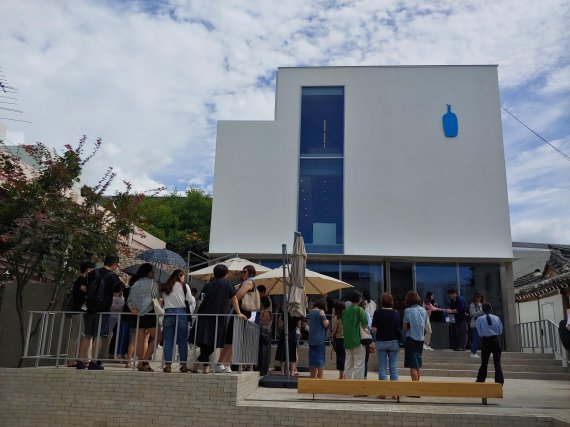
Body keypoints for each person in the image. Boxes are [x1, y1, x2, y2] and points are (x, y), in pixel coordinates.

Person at [191, 264, 247, 374]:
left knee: (205, 342)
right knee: (213, 342)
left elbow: (201, 299)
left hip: (204, 317)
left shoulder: (209, 285)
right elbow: (234, 299)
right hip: (218, 318)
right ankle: (198, 365)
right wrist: (239, 313)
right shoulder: (227, 284)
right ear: (225, 273)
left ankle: (198, 366)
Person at [76, 255, 121, 370]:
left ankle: (80, 361)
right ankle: (93, 362)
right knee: (99, 336)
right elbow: (116, 293)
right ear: (114, 264)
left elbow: (83, 288)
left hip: (89, 308)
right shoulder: (114, 277)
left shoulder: (92, 273)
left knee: (87, 335)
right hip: (103, 310)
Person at [217, 264, 257, 372]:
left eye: (244, 272)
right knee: (234, 340)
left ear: (250, 273)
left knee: (230, 339)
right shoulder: (248, 282)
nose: (242, 274)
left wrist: (232, 295)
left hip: (239, 313)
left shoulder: (248, 282)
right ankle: (226, 364)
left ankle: (220, 363)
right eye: (242, 272)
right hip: (243, 313)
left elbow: (237, 296)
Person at [127, 263, 162, 372]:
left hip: (136, 314)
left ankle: (140, 363)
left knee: (140, 340)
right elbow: (156, 297)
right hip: (149, 313)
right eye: (152, 271)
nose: (153, 273)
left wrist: (133, 309)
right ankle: (144, 361)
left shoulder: (136, 283)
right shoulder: (152, 282)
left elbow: (129, 299)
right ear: (148, 272)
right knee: (158, 337)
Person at [160, 269, 194, 373]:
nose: (184, 278)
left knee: (168, 340)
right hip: (181, 313)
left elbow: (162, 300)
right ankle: (183, 365)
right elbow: (191, 300)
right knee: (182, 340)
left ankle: (168, 365)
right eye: (183, 276)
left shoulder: (165, 286)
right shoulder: (184, 286)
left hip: (168, 313)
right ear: (180, 276)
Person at [371, 292, 401, 398]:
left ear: (381, 301)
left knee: (382, 367)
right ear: (391, 301)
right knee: (393, 367)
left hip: (381, 342)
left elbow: (374, 329)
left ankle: (383, 392)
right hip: (393, 342)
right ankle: (394, 393)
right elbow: (398, 328)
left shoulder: (377, 313)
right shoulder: (396, 313)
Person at [67, 261, 95, 367]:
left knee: (74, 336)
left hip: (75, 310)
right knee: (87, 335)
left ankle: (71, 360)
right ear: (88, 270)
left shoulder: (78, 280)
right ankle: (86, 359)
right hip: (81, 312)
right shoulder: (83, 281)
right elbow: (87, 293)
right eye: (92, 270)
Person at [476, 302, 504, 384]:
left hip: (486, 341)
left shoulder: (480, 319)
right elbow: (500, 330)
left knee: (484, 363)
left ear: (482, 310)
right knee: (497, 363)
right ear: (491, 309)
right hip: (496, 340)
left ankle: (480, 380)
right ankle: (499, 382)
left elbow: (479, 333)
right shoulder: (497, 318)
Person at [342, 291, 368, 380]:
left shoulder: (345, 311)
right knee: (359, 364)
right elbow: (365, 323)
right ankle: (358, 388)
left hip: (347, 340)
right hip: (358, 340)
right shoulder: (359, 309)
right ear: (359, 299)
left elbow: (343, 324)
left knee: (348, 363)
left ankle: (348, 386)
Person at [403, 290, 427, 382]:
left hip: (411, 339)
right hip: (420, 340)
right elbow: (424, 324)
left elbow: (405, 327)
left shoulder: (407, 311)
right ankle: (417, 387)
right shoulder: (423, 310)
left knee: (412, 365)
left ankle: (415, 390)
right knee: (417, 365)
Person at [307, 298, 329, 379]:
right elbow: (326, 324)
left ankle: (313, 375)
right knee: (320, 357)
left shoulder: (311, 312)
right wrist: (328, 321)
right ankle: (320, 376)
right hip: (319, 339)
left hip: (311, 338)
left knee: (312, 358)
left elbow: (309, 323)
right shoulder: (321, 312)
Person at [275, 309, 301, 375]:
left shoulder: (285, 313)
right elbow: (298, 325)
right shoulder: (296, 314)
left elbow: (280, 326)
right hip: (292, 333)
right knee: (292, 352)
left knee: (283, 353)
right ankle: (292, 372)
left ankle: (282, 372)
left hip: (285, 333)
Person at [257, 296, 273, 376]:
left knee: (263, 352)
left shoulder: (265, 312)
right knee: (263, 353)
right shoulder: (266, 312)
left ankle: (262, 370)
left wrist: (259, 320)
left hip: (264, 334)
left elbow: (263, 323)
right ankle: (262, 369)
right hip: (266, 334)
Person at [331, 301, 346, 379]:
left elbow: (334, 330)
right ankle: (346, 375)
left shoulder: (337, 317)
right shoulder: (347, 316)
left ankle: (341, 376)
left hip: (340, 340)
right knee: (347, 357)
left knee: (340, 358)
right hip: (348, 339)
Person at [358, 299, 373, 379]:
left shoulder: (355, 313)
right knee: (365, 359)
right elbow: (369, 327)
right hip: (366, 339)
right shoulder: (366, 313)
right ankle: (364, 376)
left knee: (358, 360)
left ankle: (359, 376)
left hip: (357, 338)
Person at [469, 292, 485, 358]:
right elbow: (473, 314)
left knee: (485, 339)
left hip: (482, 325)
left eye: (480, 297)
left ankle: (488, 352)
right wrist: (482, 312)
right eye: (478, 297)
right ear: (475, 298)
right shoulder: (472, 305)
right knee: (476, 339)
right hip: (475, 325)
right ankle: (473, 352)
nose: (479, 298)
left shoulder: (482, 305)